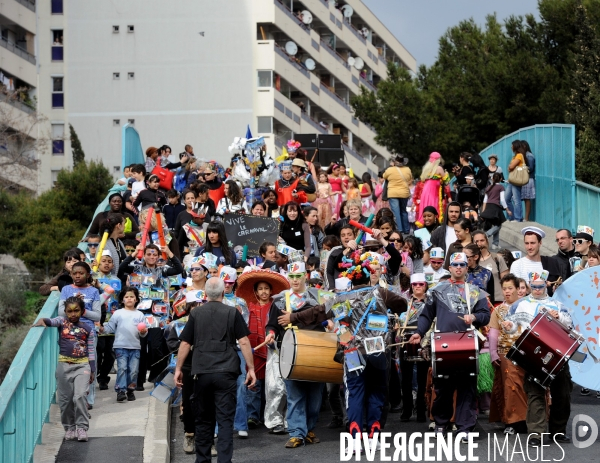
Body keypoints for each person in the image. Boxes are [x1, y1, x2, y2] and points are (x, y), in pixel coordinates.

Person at [409, 252, 491, 442]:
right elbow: (425, 316)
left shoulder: (475, 291)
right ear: (450, 267)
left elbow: (485, 315)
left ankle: (464, 428)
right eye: (455, 265)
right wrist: (419, 333)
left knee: (467, 387)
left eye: (462, 264)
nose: (459, 268)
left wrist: (475, 317)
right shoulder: (437, 290)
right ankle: (440, 423)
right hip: (444, 345)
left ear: (466, 267)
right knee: (443, 388)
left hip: (467, 344)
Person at [174, 278, 256, 462]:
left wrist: (178, 368)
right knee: (225, 420)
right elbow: (243, 341)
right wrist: (250, 369)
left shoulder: (196, 314)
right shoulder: (232, 312)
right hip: (226, 371)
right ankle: (224, 460)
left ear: (205, 294)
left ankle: (202, 460)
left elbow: (185, 342)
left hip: (201, 371)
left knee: (203, 419)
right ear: (222, 293)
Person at [500, 271, 573, 447]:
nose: (537, 290)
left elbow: (570, 325)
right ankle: (536, 433)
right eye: (534, 287)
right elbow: (510, 326)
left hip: (557, 354)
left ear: (546, 285)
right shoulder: (520, 304)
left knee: (562, 394)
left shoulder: (557, 304)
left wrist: (559, 317)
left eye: (540, 286)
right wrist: (508, 326)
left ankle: (558, 430)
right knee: (535, 394)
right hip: (534, 353)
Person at [264, 262, 326, 448]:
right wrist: (271, 333)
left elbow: (328, 316)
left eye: (298, 276)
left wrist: (329, 324)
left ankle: (309, 428)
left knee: (315, 395)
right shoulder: (280, 300)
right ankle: (297, 432)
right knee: (294, 394)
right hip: (289, 352)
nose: (295, 280)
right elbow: (272, 324)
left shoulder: (318, 297)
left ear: (305, 276)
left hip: (315, 350)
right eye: (292, 277)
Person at [32, 296, 96, 442]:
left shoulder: (88, 329)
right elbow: (52, 321)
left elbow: (91, 351)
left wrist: (92, 370)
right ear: (65, 312)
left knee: (79, 396)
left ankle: (81, 427)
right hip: (64, 366)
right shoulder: (62, 322)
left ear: (82, 311)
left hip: (82, 365)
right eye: (69, 311)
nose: (73, 314)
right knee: (65, 400)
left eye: (76, 311)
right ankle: (69, 428)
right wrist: (44, 320)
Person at [235, 269, 290, 431]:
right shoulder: (248, 309)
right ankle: (253, 415)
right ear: (255, 292)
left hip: (272, 350)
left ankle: (271, 414)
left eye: (267, 288)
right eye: (260, 289)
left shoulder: (277, 308)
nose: (264, 291)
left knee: (272, 385)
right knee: (254, 384)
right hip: (254, 349)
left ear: (272, 291)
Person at [488, 274, 527, 435]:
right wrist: (492, 353)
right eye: (504, 289)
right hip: (506, 353)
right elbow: (493, 333)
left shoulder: (528, 307)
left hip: (526, 354)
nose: (507, 292)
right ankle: (511, 421)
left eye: (510, 288)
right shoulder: (498, 310)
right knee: (510, 388)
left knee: (527, 388)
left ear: (518, 289)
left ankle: (528, 419)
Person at [100, 287, 148, 402]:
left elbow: (143, 334)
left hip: (135, 347)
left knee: (134, 370)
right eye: (127, 297)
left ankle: (130, 390)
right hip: (120, 346)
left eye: (132, 297)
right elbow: (110, 328)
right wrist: (101, 329)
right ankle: (121, 391)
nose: (129, 299)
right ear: (122, 300)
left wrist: (143, 332)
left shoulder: (140, 315)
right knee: (122, 368)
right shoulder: (118, 313)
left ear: (136, 299)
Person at [398, 273, 429, 423]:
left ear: (426, 285)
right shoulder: (405, 301)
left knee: (423, 378)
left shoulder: (431, 302)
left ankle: (421, 409)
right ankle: (407, 409)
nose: (418, 287)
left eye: (421, 284)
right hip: (406, 339)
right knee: (406, 378)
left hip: (424, 340)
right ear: (411, 286)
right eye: (415, 284)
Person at [509, 226, 568, 295]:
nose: (529, 247)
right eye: (527, 243)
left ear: (540, 243)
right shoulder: (517, 265)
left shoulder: (551, 263)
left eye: (532, 243)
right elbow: (514, 292)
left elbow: (558, 286)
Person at [413, 152, 451, 228]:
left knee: (426, 205)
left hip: (426, 191)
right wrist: (446, 173)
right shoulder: (439, 168)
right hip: (433, 192)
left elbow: (422, 180)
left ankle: (424, 222)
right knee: (433, 205)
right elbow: (446, 180)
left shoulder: (426, 168)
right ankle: (434, 222)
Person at [472, 231, 508, 304]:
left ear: (487, 241)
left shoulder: (497, 258)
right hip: (477, 302)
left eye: (482, 240)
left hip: (497, 301)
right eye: (476, 241)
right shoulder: (471, 262)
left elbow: (506, 282)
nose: (479, 244)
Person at [383, 156, 413, 233]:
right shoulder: (407, 169)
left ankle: (399, 229)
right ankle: (406, 229)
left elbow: (384, 176)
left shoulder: (390, 169)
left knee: (396, 212)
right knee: (403, 211)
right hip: (404, 193)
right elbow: (409, 178)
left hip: (393, 193)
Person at [480, 173, 510, 249]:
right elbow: (502, 200)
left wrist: (483, 212)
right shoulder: (501, 187)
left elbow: (485, 200)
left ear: (492, 179)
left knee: (496, 224)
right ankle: (487, 234)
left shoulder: (488, 187)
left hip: (488, 207)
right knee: (498, 225)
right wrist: (507, 210)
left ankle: (495, 244)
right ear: (500, 179)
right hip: (495, 208)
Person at [505, 140, 526, 222]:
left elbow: (511, 167)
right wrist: (510, 167)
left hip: (516, 180)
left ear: (516, 146)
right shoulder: (515, 156)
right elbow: (510, 168)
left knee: (516, 199)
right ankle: (512, 216)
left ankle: (518, 218)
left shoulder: (519, 155)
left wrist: (510, 167)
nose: (511, 147)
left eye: (512, 145)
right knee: (506, 198)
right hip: (512, 180)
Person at [521, 140, 535, 222]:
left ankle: (526, 218)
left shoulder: (529, 156)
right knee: (525, 198)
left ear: (524, 147)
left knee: (527, 198)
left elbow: (530, 168)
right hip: (524, 178)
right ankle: (524, 217)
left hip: (528, 178)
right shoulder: (524, 155)